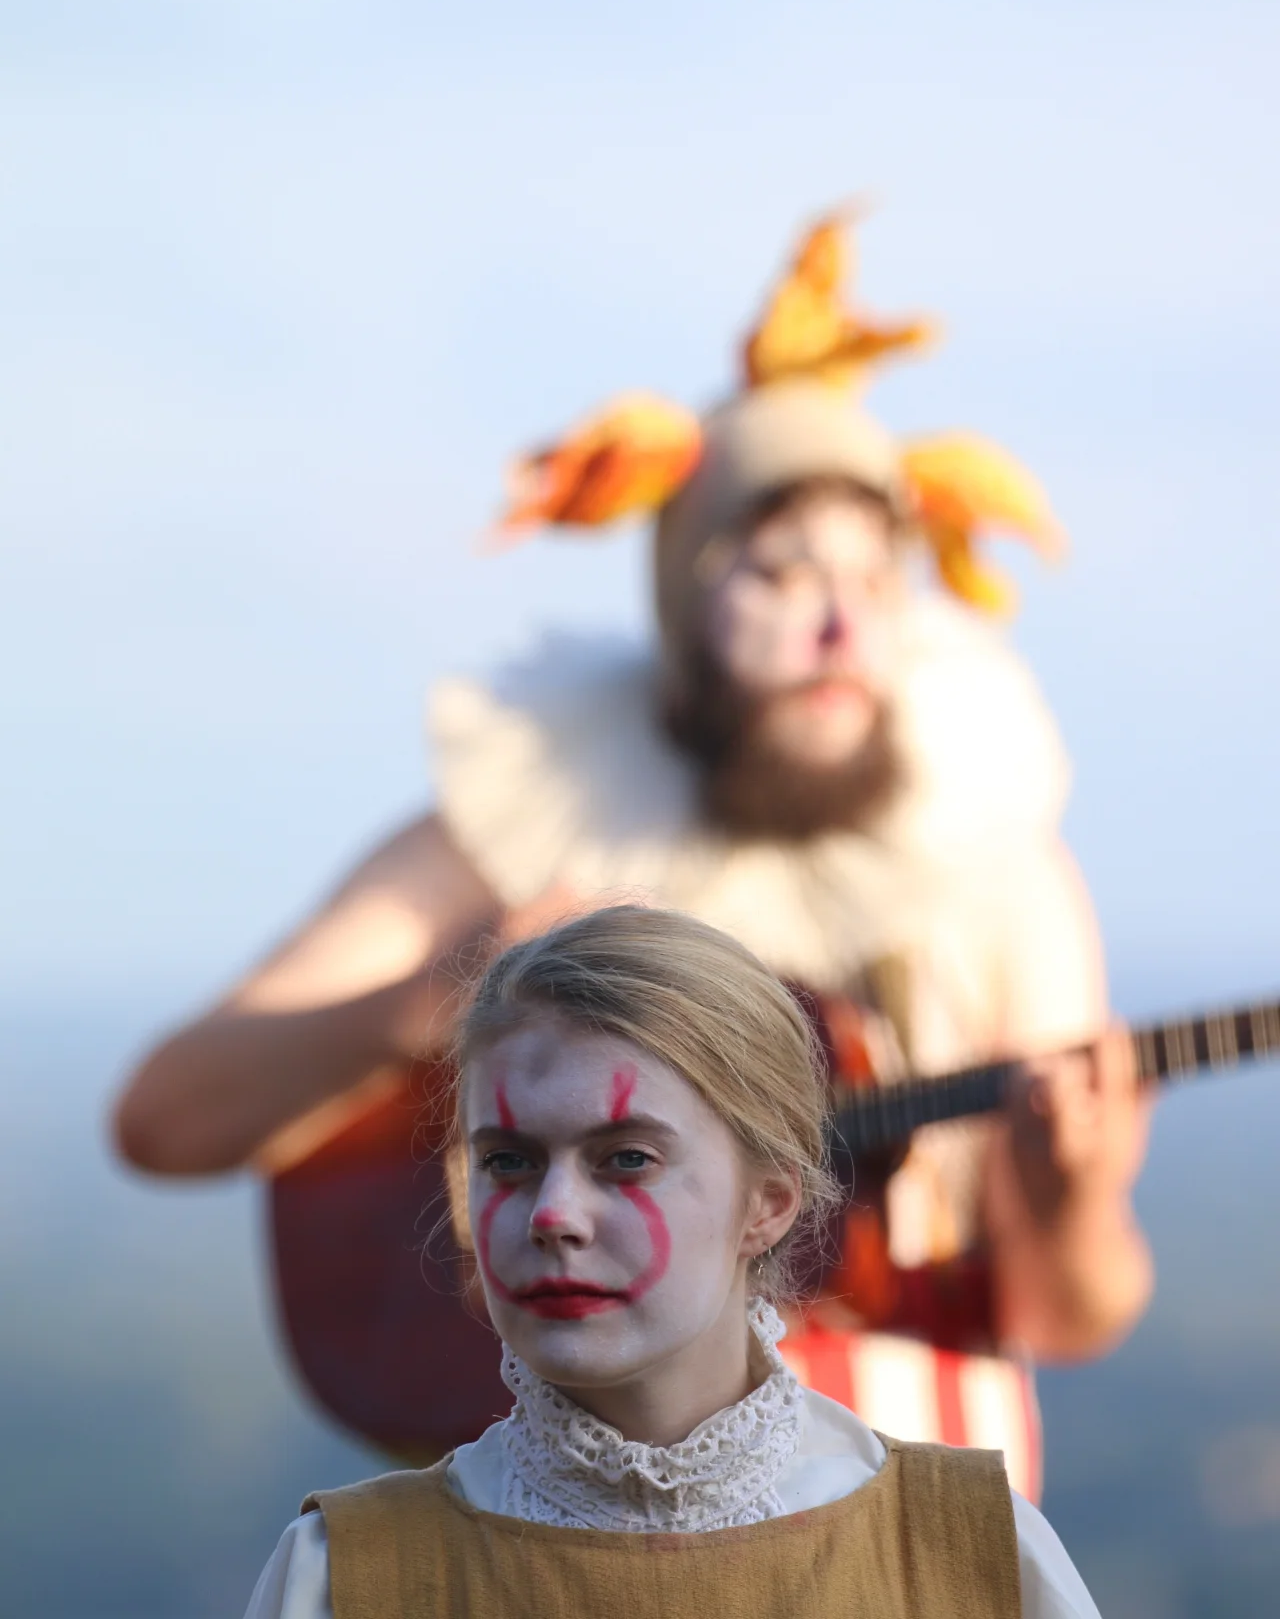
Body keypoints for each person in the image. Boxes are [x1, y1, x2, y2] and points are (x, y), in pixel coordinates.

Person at [114, 210, 1152, 1498]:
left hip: (908, 1540)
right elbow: (167, 1117)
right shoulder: (528, 831)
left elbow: (1065, 1315)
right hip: (572, 1549)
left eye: (873, 581)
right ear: (683, 596)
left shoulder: (990, 869)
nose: (838, 630)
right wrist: (437, 1000)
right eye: (779, 576)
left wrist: (1067, 1199)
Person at [244, 906, 1100, 1619]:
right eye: (508, 1160)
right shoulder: (348, 1577)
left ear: (768, 1202)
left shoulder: (973, 1555)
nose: (552, 1214)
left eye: (627, 1159)